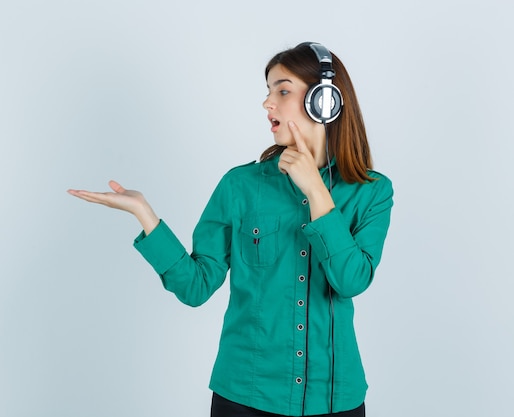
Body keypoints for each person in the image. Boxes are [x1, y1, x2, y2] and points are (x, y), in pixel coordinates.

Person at [68, 42, 393, 417]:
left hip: (335, 400)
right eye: (268, 91)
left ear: (324, 101)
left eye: (282, 90)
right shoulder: (239, 186)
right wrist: (145, 215)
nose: (267, 103)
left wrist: (316, 191)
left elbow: (351, 280)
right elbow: (196, 286)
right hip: (245, 397)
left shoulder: (373, 191)